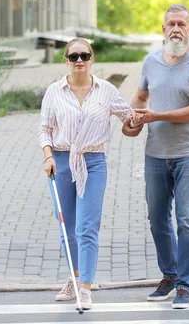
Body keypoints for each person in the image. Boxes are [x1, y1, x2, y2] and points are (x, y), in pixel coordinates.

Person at [122, 4, 189, 309]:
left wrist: (157, 116)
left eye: (181, 24)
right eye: (170, 24)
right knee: (156, 219)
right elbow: (140, 97)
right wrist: (131, 119)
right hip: (155, 154)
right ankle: (169, 274)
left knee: (187, 220)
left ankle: (185, 285)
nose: (175, 28)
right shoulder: (151, 61)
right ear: (163, 29)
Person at [38, 37, 141, 310]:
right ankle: (73, 278)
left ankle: (85, 287)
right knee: (67, 229)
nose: (80, 60)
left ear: (92, 58)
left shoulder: (106, 90)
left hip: (93, 162)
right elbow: (44, 129)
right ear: (66, 61)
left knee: (87, 227)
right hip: (60, 162)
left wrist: (140, 117)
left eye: (84, 55)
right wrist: (48, 156)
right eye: (74, 57)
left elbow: (128, 117)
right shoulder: (54, 91)